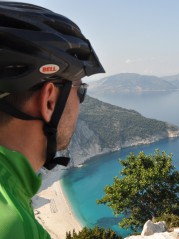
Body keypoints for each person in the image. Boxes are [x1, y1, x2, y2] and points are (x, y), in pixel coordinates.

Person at [0, 2, 105, 238]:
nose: (81, 101)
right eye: (80, 91)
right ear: (49, 101)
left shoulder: (10, 192)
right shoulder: (11, 225)